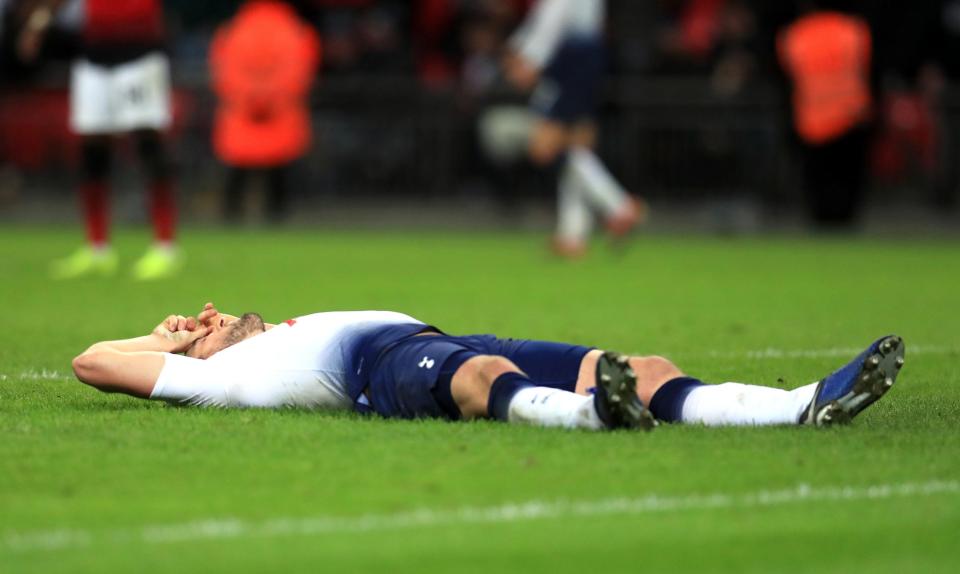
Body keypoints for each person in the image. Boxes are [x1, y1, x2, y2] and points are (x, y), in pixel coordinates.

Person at [71, 302, 905, 430]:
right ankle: (589, 415)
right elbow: (90, 363)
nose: (209, 315)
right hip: (381, 364)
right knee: (472, 387)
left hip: (445, 332)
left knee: (640, 362)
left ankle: (801, 405)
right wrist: (167, 342)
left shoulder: (268, 329)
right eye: (200, 325)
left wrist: (182, 332)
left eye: (203, 313)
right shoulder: (216, 379)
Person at [18, 0, 181, 279]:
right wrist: (39, 22)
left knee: (148, 147)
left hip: (139, 54)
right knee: (92, 152)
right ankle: (97, 248)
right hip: (93, 57)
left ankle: (165, 246)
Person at [503, 0, 646, 258]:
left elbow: (554, 14)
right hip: (587, 54)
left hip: (570, 55)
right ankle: (573, 234)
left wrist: (531, 59)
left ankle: (619, 206)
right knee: (574, 145)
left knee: (544, 146)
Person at [210, 0, 321, 224]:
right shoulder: (297, 30)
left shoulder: (231, 30)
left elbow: (223, 73)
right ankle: (277, 217)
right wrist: (272, 98)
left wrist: (248, 97)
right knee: (278, 172)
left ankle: (230, 217)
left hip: (241, 115)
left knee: (238, 171)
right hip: (281, 114)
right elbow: (299, 74)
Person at [778, 3, 874, 229]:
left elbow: (788, 75)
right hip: (851, 116)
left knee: (818, 188)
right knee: (848, 185)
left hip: (811, 119)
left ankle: (821, 228)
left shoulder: (794, 34)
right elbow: (865, 68)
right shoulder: (853, 30)